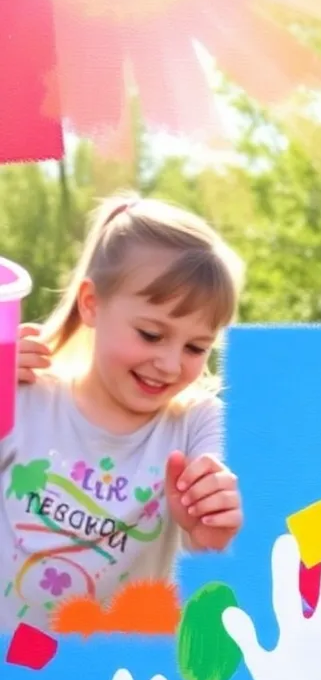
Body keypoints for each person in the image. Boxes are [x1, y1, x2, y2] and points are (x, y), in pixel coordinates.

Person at [1, 192, 245, 632]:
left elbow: (217, 534)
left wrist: (212, 531)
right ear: (91, 304)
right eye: (152, 334)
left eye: (195, 347)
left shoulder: (196, 422)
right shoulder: (23, 397)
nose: (170, 364)